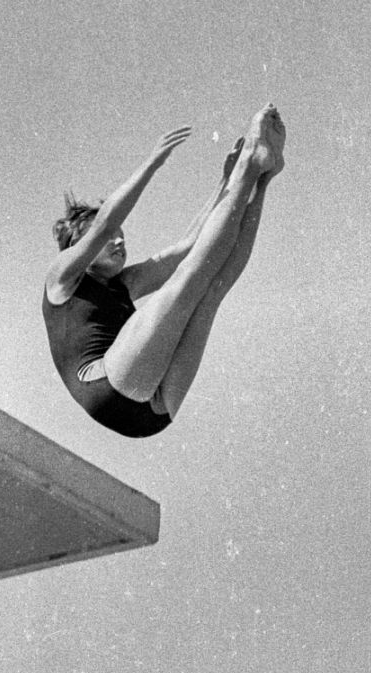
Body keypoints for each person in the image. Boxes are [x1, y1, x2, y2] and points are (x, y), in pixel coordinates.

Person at [42, 105, 286, 437]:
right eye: (109, 238)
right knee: (187, 280)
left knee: (211, 289)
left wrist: (228, 184)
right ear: (78, 247)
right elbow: (105, 223)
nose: (118, 240)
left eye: (122, 237)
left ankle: (260, 177)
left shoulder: (124, 283)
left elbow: (188, 246)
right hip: (106, 389)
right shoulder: (62, 281)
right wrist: (152, 163)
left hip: (153, 413)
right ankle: (250, 164)